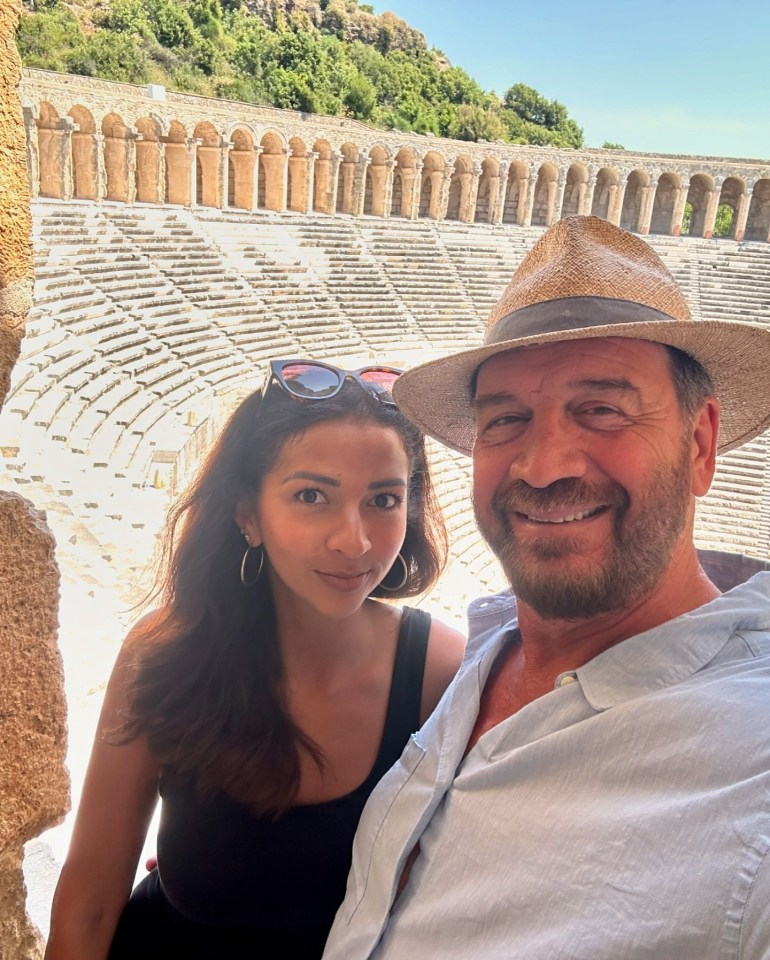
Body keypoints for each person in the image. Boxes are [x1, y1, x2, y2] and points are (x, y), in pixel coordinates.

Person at [322, 216, 770, 959]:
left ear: (699, 444)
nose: (541, 466)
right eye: (507, 419)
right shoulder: (487, 652)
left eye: (601, 409)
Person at [44, 358, 465, 960]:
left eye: (382, 498)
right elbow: (89, 900)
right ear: (248, 514)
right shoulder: (166, 651)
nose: (354, 541)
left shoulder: (443, 676)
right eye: (312, 495)